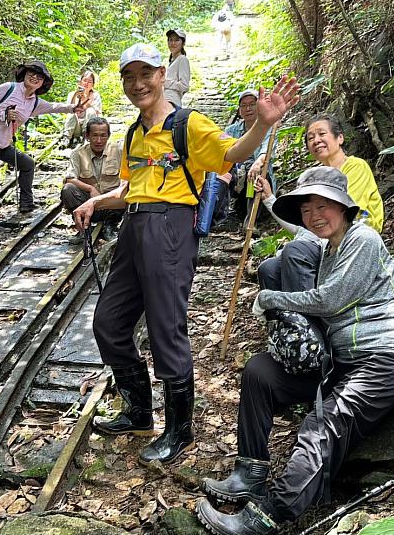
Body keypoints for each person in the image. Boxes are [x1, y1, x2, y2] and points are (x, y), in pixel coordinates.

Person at [73, 42, 300, 465]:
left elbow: (229, 155)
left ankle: (179, 430)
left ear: (162, 75)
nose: (138, 84)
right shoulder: (135, 132)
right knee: (108, 322)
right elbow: (128, 187)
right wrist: (94, 203)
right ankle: (139, 411)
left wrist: (263, 126)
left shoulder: (188, 123)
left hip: (171, 226)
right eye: (129, 77)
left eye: (145, 74)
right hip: (134, 227)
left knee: (165, 328)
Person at [196, 166, 394, 535]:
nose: (315, 216)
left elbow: (331, 300)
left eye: (323, 206)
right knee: (260, 372)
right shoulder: (329, 248)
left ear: (344, 207)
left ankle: (268, 516)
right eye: (306, 210)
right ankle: (250, 472)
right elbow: (301, 245)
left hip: (389, 357)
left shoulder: (363, 239)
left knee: (323, 423)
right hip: (345, 363)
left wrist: (271, 297)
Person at [255, 113, 384, 295]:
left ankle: (306, 320)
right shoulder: (314, 177)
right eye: (310, 137)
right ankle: (284, 321)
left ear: (340, 138)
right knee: (268, 269)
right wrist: (269, 198)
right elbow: (303, 227)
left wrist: (298, 244)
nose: (316, 140)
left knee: (294, 251)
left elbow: (340, 217)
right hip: (320, 243)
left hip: (349, 243)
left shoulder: (355, 167)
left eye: (322, 134)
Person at [0, 60, 82, 234]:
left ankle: (26, 204)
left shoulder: (34, 102)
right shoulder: (8, 88)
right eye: (31, 73)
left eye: (39, 77)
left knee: (27, 164)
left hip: (3, 143)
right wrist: (2, 114)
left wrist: (73, 108)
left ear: (42, 83)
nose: (34, 77)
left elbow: (52, 107)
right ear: (24, 74)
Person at [213, 89, 277, 224]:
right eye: (243, 105)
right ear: (239, 110)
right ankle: (214, 214)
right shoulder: (232, 130)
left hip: (256, 179)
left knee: (254, 172)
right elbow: (221, 151)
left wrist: (257, 163)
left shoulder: (268, 129)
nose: (248, 108)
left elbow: (266, 151)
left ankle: (250, 222)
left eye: (252, 104)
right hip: (237, 177)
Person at [60, 117, 123, 243]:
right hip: (89, 205)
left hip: (114, 204)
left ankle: (110, 225)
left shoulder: (119, 151)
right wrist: (90, 188)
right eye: (94, 136)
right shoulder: (78, 153)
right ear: (87, 136)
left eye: (103, 136)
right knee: (68, 190)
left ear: (109, 136)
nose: (99, 141)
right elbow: (69, 179)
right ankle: (83, 227)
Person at [62, 69, 102, 147]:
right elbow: (68, 110)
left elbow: (97, 113)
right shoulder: (72, 94)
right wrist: (76, 95)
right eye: (85, 80)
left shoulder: (95, 96)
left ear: (93, 84)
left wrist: (88, 101)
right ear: (80, 82)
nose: (86, 83)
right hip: (74, 126)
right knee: (71, 114)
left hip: (89, 127)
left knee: (91, 111)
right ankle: (66, 138)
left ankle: (87, 138)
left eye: (90, 82)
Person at [164, 28, 190, 107]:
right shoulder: (171, 60)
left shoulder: (182, 59)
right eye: (170, 40)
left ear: (183, 43)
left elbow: (184, 86)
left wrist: (164, 83)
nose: (173, 43)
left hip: (172, 102)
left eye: (177, 40)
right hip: (164, 100)